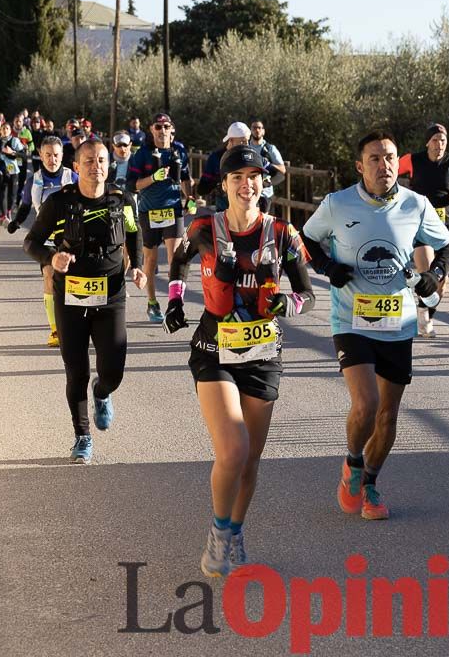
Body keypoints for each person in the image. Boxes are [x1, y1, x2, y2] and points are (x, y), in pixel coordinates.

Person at [164, 144, 315, 576]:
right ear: (225, 185)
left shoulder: (283, 233)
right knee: (233, 448)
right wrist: (176, 302)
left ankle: (234, 528)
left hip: (263, 354)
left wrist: (289, 306)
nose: (246, 185)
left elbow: (307, 294)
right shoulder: (205, 228)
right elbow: (179, 263)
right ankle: (217, 531)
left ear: (262, 182)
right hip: (215, 349)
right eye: (237, 178)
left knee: (250, 461)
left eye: (253, 177)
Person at [301, 132, 449, 521]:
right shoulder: (337, 204)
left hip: (398, 322)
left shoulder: (415, 204)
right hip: (352, 318)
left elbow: (448, 244)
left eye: (389, 158)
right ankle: (352, 463)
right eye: (374, 159)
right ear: (359, 166)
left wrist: (434, 274)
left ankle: (369, 482)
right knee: (366, 403)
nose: (383, 165)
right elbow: (307, 238)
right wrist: (328, 267)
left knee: (387, 415)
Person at [25, 139, 145, 463]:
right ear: (76, 167)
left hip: (111, 296)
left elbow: (134, 233)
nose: (97, 167)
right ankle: (82, 437)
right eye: (89, 161)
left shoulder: (122, 199)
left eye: (102, 160)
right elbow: (31, 242)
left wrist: (138, 266)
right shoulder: (59, 202)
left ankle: (102, 392)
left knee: (114, 370)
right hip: (71, 297)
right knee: (76, 371)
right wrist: (51, 258)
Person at [397, 123, 449, 336]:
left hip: (445, 222)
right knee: (426, 270)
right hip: (420, 222)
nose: (439, 144)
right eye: (435, 140)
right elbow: (388, 171)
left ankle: (426, 314)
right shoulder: (413, 160)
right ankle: (422, 315)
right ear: (427, 142)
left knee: (440, 282)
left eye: (443, 140)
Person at [10, 136, 78, 346]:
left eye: (56, 155)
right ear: (40, 155)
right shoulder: (34, 180)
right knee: (49, 275)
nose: (52, 159)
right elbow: (25, 206)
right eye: (47, 155)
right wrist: (16, 222)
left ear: (62, 156)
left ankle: (76, 324)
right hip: (46, 238)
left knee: (71, 281)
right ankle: (55, 330)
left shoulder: (73, 177)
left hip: (71, 237)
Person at [127, 113, 192, 323]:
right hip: (149, 211)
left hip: (173, 210)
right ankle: (152, 303)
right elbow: (132, 185)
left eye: (166, 126)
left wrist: (190, 198)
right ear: (151, 129)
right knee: (151, 260)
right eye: (158, 126)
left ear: (172, 129)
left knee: (176, 259)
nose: (162, 130)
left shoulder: (179, 150)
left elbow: (185, 178)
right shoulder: (142, 154)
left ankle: (176, 303)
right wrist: (153, 178)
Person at [197, 122, 251, 212]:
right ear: (231, 141)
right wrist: (220, 181)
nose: (247, 145)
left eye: (247, 141)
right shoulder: (216, 158)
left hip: (247, 211)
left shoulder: (250, 155)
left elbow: (273, 172)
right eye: (243, 141)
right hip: (224, 212)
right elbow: (202, 189)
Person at [249, 120, 286, 213]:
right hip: (249, 192)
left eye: (259, 128)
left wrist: (268, 165)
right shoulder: (245, 147)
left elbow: (283, 169)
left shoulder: (270, 149)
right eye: (254, 128)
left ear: (263, 131)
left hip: (265, 194)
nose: (257, 130)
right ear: (250, 130)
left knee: (264, 223)